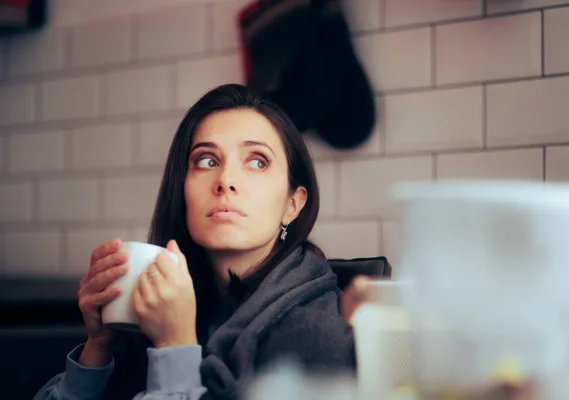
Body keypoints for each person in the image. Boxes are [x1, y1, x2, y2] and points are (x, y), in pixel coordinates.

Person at [34, 84, 355, 400]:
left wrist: (177, 347)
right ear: (182, 189)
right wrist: (99, 347)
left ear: (293, 204)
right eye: (206, 161)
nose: (226, 181)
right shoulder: (173, 303)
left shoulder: (315, 336)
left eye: (257, 161)